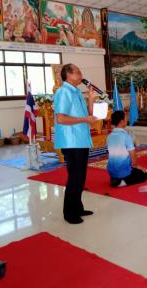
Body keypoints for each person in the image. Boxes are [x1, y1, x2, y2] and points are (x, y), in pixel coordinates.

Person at [54, 63, 97, 224]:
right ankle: (69, 213)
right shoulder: (63, 92)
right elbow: (61, 118)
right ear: (68, 75)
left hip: (80, 139)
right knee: (75, 177)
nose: (81, 75)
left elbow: (88, 116)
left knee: (80, 176)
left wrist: (91, 100)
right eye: (78, 72)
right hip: (71, 141)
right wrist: (85, 119)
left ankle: (77, 207)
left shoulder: (76, 92)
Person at [107, 111, 147, 187]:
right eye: (126, 119)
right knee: (144, 174)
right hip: (123, 171)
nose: (127, 120)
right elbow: (133, 155)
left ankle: (116, 179)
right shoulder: (126, 136)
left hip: (111, 172)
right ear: (122, 121)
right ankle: (123, 182)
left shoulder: (109, 137)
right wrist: (136, 166)